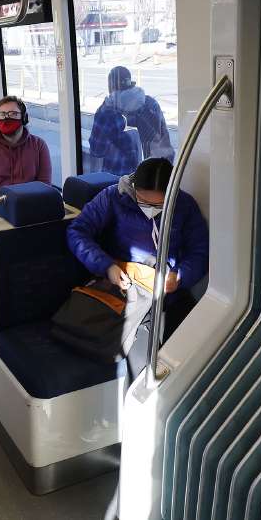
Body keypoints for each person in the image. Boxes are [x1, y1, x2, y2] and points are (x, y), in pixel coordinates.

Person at [65, 156, 208, 379]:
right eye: (144, 201)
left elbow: (199, 251)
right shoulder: (113, 198)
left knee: (191, 354)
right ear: (134, 189)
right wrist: (107, 266)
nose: (150, 210)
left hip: (168, 292)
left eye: (158, 205)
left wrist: (179, 276)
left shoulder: (185, 206)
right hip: (125, 287)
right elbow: (77, 232)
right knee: (139, 360)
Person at [0, 96, 53, 203]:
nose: (6, 118)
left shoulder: (39, 145)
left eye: (13, 114)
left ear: (24, 118)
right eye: (2, 114)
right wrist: (2, 208)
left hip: (31, 205)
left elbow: (44, 184)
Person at [88, 66, 175, 168]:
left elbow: (97, 150)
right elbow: (166, 145)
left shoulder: (107, 112)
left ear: (110, 87)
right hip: (151, 176)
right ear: (131, 83)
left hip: (117, 180)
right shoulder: (151, 104)